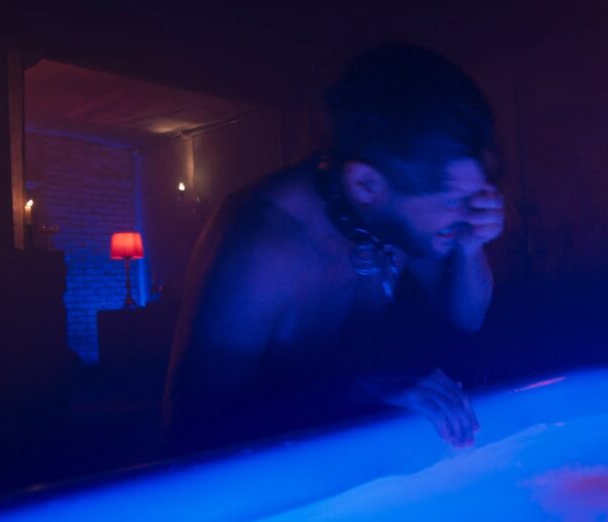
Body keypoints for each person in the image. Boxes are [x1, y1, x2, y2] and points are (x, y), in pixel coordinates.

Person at [162, 44, 504, 456]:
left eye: (474, 196)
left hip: (343, 454)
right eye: (452, 200)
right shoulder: (266, 245)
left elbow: (465, 317)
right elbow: (193, 426)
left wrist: (469, 245)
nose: (468, 212)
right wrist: (362, 391)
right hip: (266, 476)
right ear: (364, 185)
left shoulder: (392, 211)